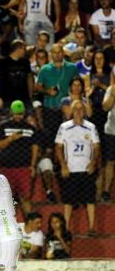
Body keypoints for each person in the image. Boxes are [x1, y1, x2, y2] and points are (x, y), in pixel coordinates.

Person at [55, 100, 100, 235]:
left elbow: (96, 147)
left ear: (85, 111)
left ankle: (91, 228)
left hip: (87, 169)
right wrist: (63, 165)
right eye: (76, 109)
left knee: (90, 200)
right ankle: (67, 229)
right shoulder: (64, 127)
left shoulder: (91, 127)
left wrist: (93, 163)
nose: (79, 112)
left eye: (81, 109)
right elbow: (58, 147)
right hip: (70, 169)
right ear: (71, 111)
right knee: (68, 201)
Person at [0, 100, 39, 215]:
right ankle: (8, 225)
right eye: (16, 113)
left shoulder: (30, 128)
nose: (19, 116)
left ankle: (29, 224)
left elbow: (35, 148)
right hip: (7, 167)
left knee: (26, 198)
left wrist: (33, 166)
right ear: (11, 113)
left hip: (24, 167)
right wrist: (10, 139)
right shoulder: (3, 127)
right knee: (7, 198)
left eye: (21, 113)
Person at [35, 43, 79, 141]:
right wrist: (47, 91)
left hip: (68, 108)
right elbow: (37, 87)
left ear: (63, 53)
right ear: (51, 54)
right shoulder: (44, 69)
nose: (57, 54)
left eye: (59, 52)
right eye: (55, 52)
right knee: (51, 138)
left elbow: (78, 84)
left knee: (69, 136)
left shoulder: (72, 68)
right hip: (50, 108)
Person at [102, 84, 115, 202]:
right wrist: (113, 95)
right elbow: (105, 107)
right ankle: (106, 191)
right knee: (110, 162)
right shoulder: (111, 89)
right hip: (112, 132)